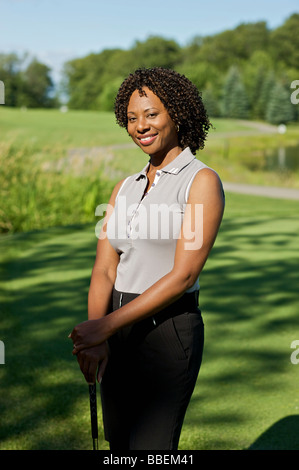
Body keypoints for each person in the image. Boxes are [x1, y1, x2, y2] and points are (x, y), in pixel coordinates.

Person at [69, 67, 225, 450]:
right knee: (120, 445)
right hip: (115, 331)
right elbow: (105, 268)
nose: (141, 126)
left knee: (151, 449)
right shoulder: (124, 186)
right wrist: (97, 335)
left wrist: (104, 327)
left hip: (169, 330)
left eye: (151, 114)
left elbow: (184, 275)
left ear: (176, 113)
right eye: (132, 118)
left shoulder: (200, 181)